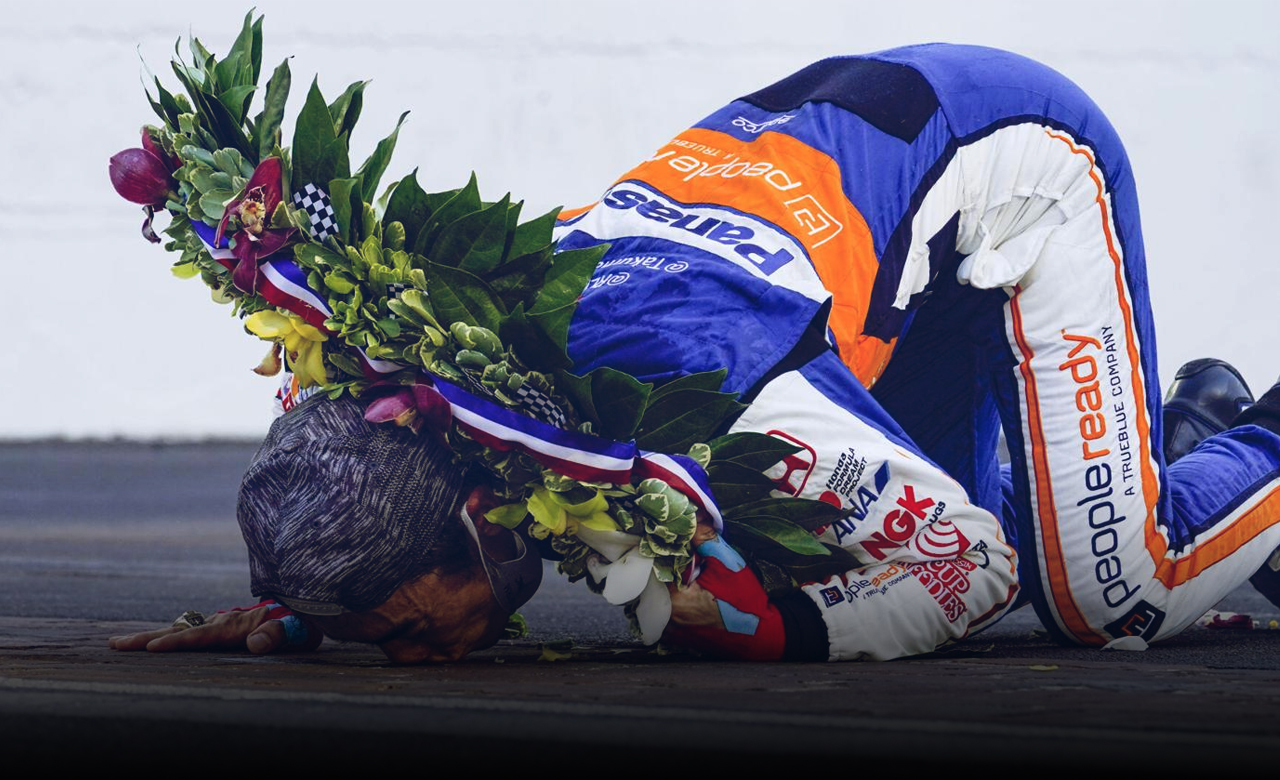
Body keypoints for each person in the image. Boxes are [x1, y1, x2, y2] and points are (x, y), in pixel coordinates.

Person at [111, 43, 1280, 662]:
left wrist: (770, 635)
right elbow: (372, 458)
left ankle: (1237, 447)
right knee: (814, 536)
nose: (415, 662)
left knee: (1111, 596)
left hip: (1018, 167)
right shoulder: (453, 394)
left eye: (410, 633)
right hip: (844, 165)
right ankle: (1173, 438)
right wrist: (307, 602)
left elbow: (965, 570)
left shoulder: (715, 407)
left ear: (479, 513)